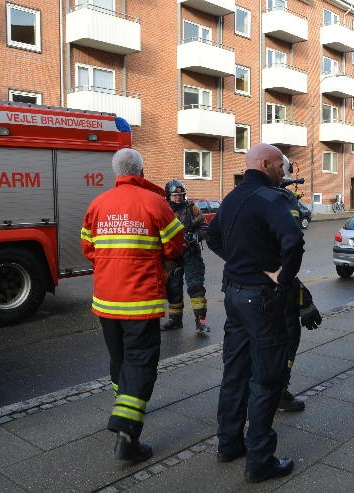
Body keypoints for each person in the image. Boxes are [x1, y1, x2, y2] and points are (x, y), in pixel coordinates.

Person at [205, 143, 305, 483]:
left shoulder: (232, 197)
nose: (284, 172)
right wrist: (282, 276)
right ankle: (260, 460)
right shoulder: (271, 199)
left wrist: (239, 262)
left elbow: (213, 236)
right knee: (266, 379)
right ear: (265, 164)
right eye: (280, 165)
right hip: (261, 300)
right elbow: (293, 241)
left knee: (235, 373)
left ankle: (229, 443)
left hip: (233, 295)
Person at [81, 148, 185, 462]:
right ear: (140, 170)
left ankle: (124, 407)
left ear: (116, 172)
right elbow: (174, 247)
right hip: (140, 301)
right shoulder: (156, 203)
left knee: (119, 361)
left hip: (106, 301)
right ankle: (126, 431)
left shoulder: (98, 204)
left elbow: (88, 248)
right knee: (141, 364)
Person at [275, 155, 322, 412]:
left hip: (241, 288)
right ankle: (278, 391)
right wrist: (303, 299)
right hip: (276, 287)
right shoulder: (284, 200)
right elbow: (290, 249)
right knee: (287, 338)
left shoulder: (242, 196)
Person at [161, 179, 211, 334]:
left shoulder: (192, 209)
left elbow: (204, 227)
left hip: (191, 254)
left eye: (181, 195)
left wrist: (196, 235)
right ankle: (175, 320)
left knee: (196, 286)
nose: (179, 198)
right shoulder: (163, 210)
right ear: (168, 195)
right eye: (175, 195)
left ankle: (200, 320)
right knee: (173, 287)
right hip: (171, 255)